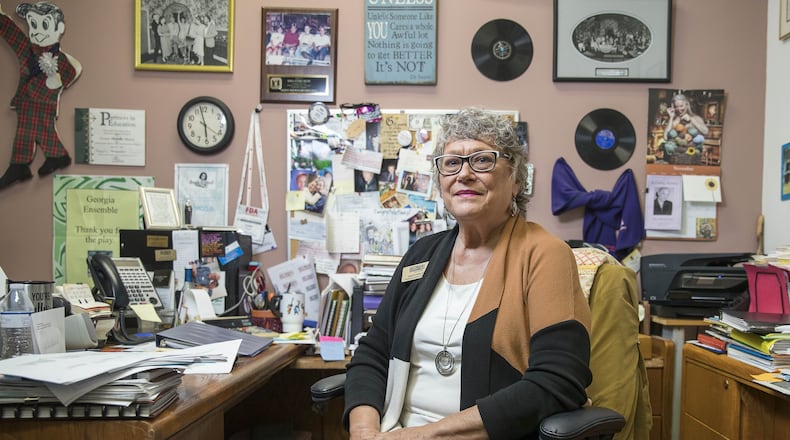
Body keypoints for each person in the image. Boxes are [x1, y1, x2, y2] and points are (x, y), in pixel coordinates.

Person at [344, 107, 592, 439]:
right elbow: (373, 352)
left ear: (516, 179)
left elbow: (558, 381)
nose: (464, 174)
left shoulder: (544, 254)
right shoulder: (421, 254)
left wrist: (424, 435)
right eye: (451, 163)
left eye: (482, 160)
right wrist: (364, 432)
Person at [0, 2, 82, 189]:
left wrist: (58, 80)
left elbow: (72, 70)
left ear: (59, 28)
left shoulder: (58, 58)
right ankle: (43, 160)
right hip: (26, 101)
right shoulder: (28, 51)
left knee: (38, 130)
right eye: (33, 24)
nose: (37, 31)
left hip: (43, 102)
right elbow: (13, 35)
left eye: (44, 24)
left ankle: (25, 164)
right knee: (29, 131)